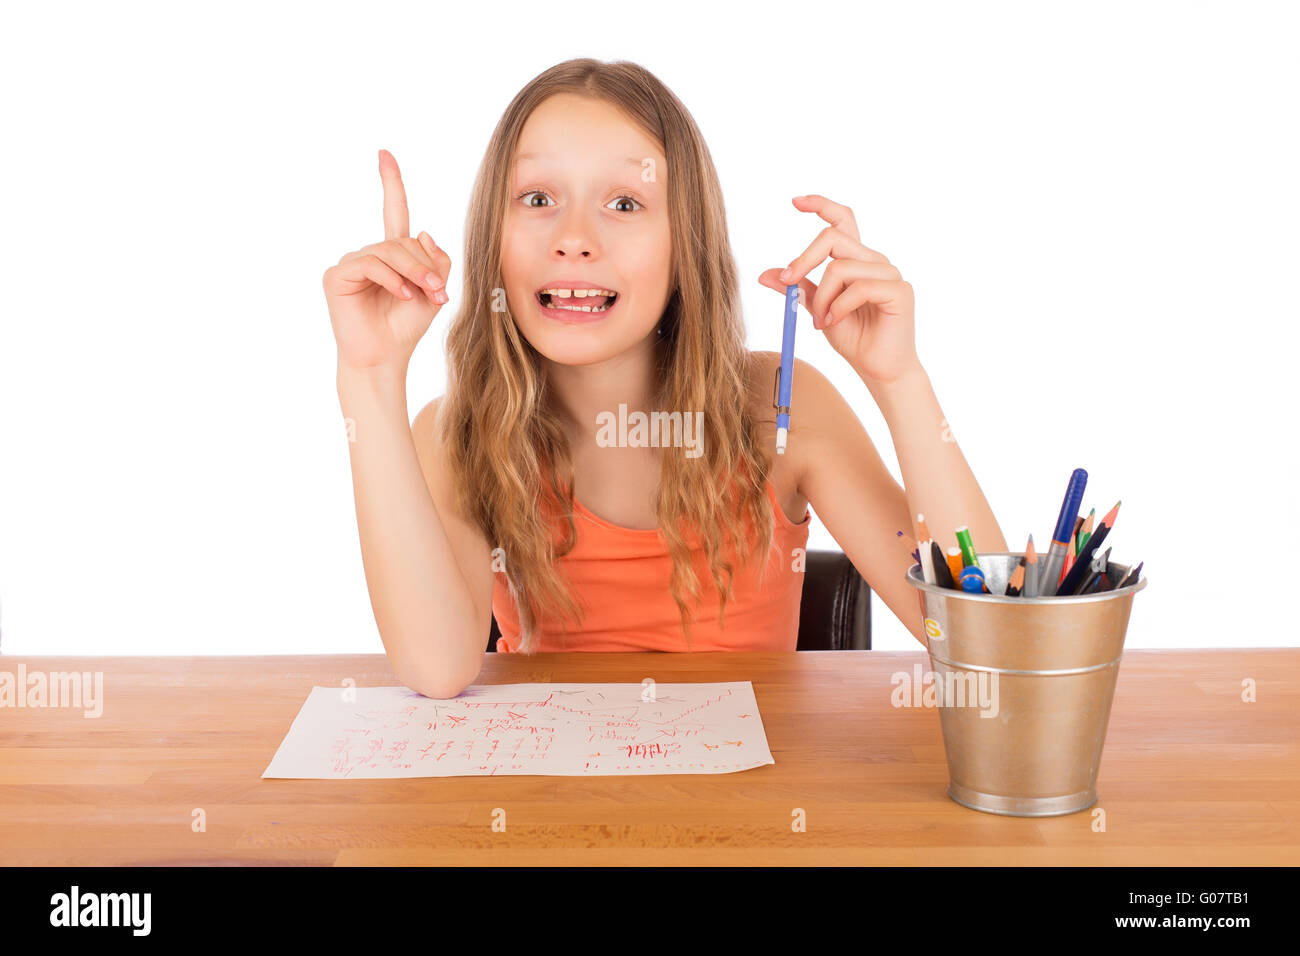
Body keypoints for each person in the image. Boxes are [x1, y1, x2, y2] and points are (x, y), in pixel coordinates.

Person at [322, 58, 1005, 697]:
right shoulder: (457, 434)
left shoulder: (780, 409)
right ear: (490, 244)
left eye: (624, 204)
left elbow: (992, 649)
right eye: (537, 197)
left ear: (686, 246)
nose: (574, 237)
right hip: (550, 808)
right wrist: (370, 378)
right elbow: (437, 668)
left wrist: (900, 379)